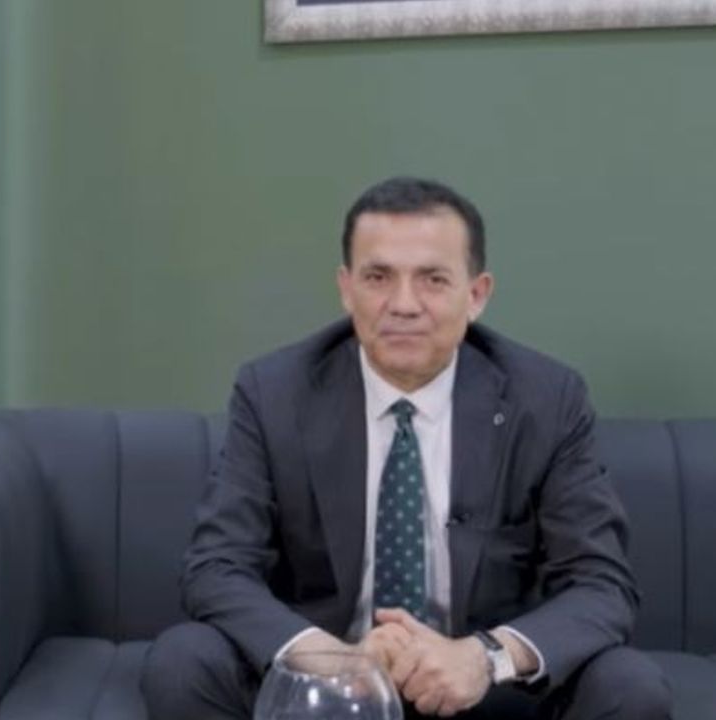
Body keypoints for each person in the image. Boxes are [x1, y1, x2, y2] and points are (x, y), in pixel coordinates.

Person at [141, 177, 670, 719]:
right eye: (378, 278)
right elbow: (216, 566)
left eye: (433, 280)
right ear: (346, 289)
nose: (403, 304)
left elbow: (601, 585)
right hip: (327, 687)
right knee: (184, 662)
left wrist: (483, 659)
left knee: (628, 686)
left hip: (485, 688)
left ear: (476, 294)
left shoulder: (547, 399)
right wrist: (332, 661)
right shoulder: (274, 392)